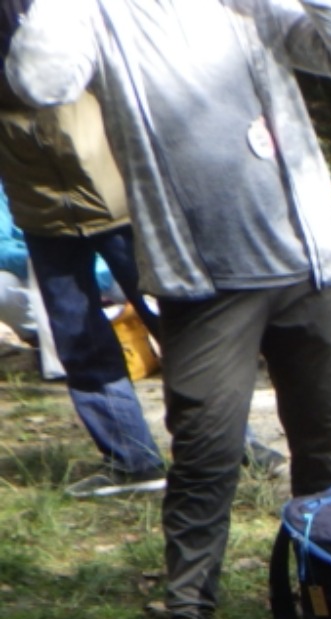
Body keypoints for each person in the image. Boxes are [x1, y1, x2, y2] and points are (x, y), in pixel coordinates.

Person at [8, 0, 331, 619]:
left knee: (322, 456)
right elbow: (40, 80)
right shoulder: (99, 14)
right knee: (206, 461)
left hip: (306, 265)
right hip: (205, 282)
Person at [0, 14, 164, 499]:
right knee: (78, 339)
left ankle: (232, 444)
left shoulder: (70, 15)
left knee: (182, 324)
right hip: (41, 209)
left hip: (117, 199)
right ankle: (132, 460)